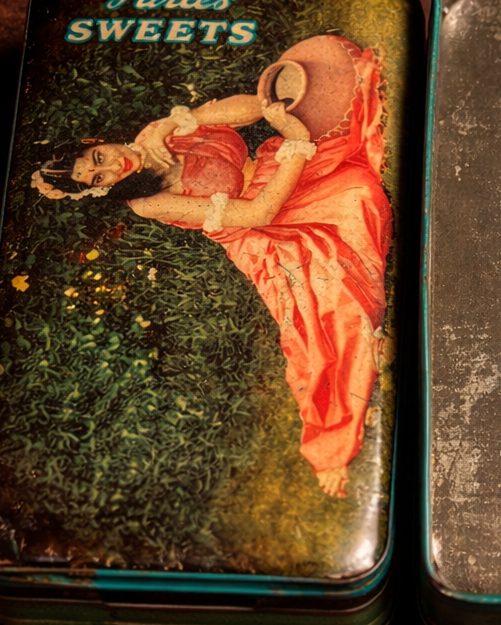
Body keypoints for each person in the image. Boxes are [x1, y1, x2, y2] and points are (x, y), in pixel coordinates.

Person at [32, 36, 392, 499]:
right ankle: (337, 430)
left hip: (269, 173)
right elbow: (259, 213)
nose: (114, 167)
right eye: (100, 178)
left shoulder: (154, 134)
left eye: (98, 158)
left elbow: (255, 107)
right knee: (330, 291)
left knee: (355, 157)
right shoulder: (149, 201)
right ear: (101, 190)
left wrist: (181, 121)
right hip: (262, 227)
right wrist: (297, 142)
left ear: (95, 143)